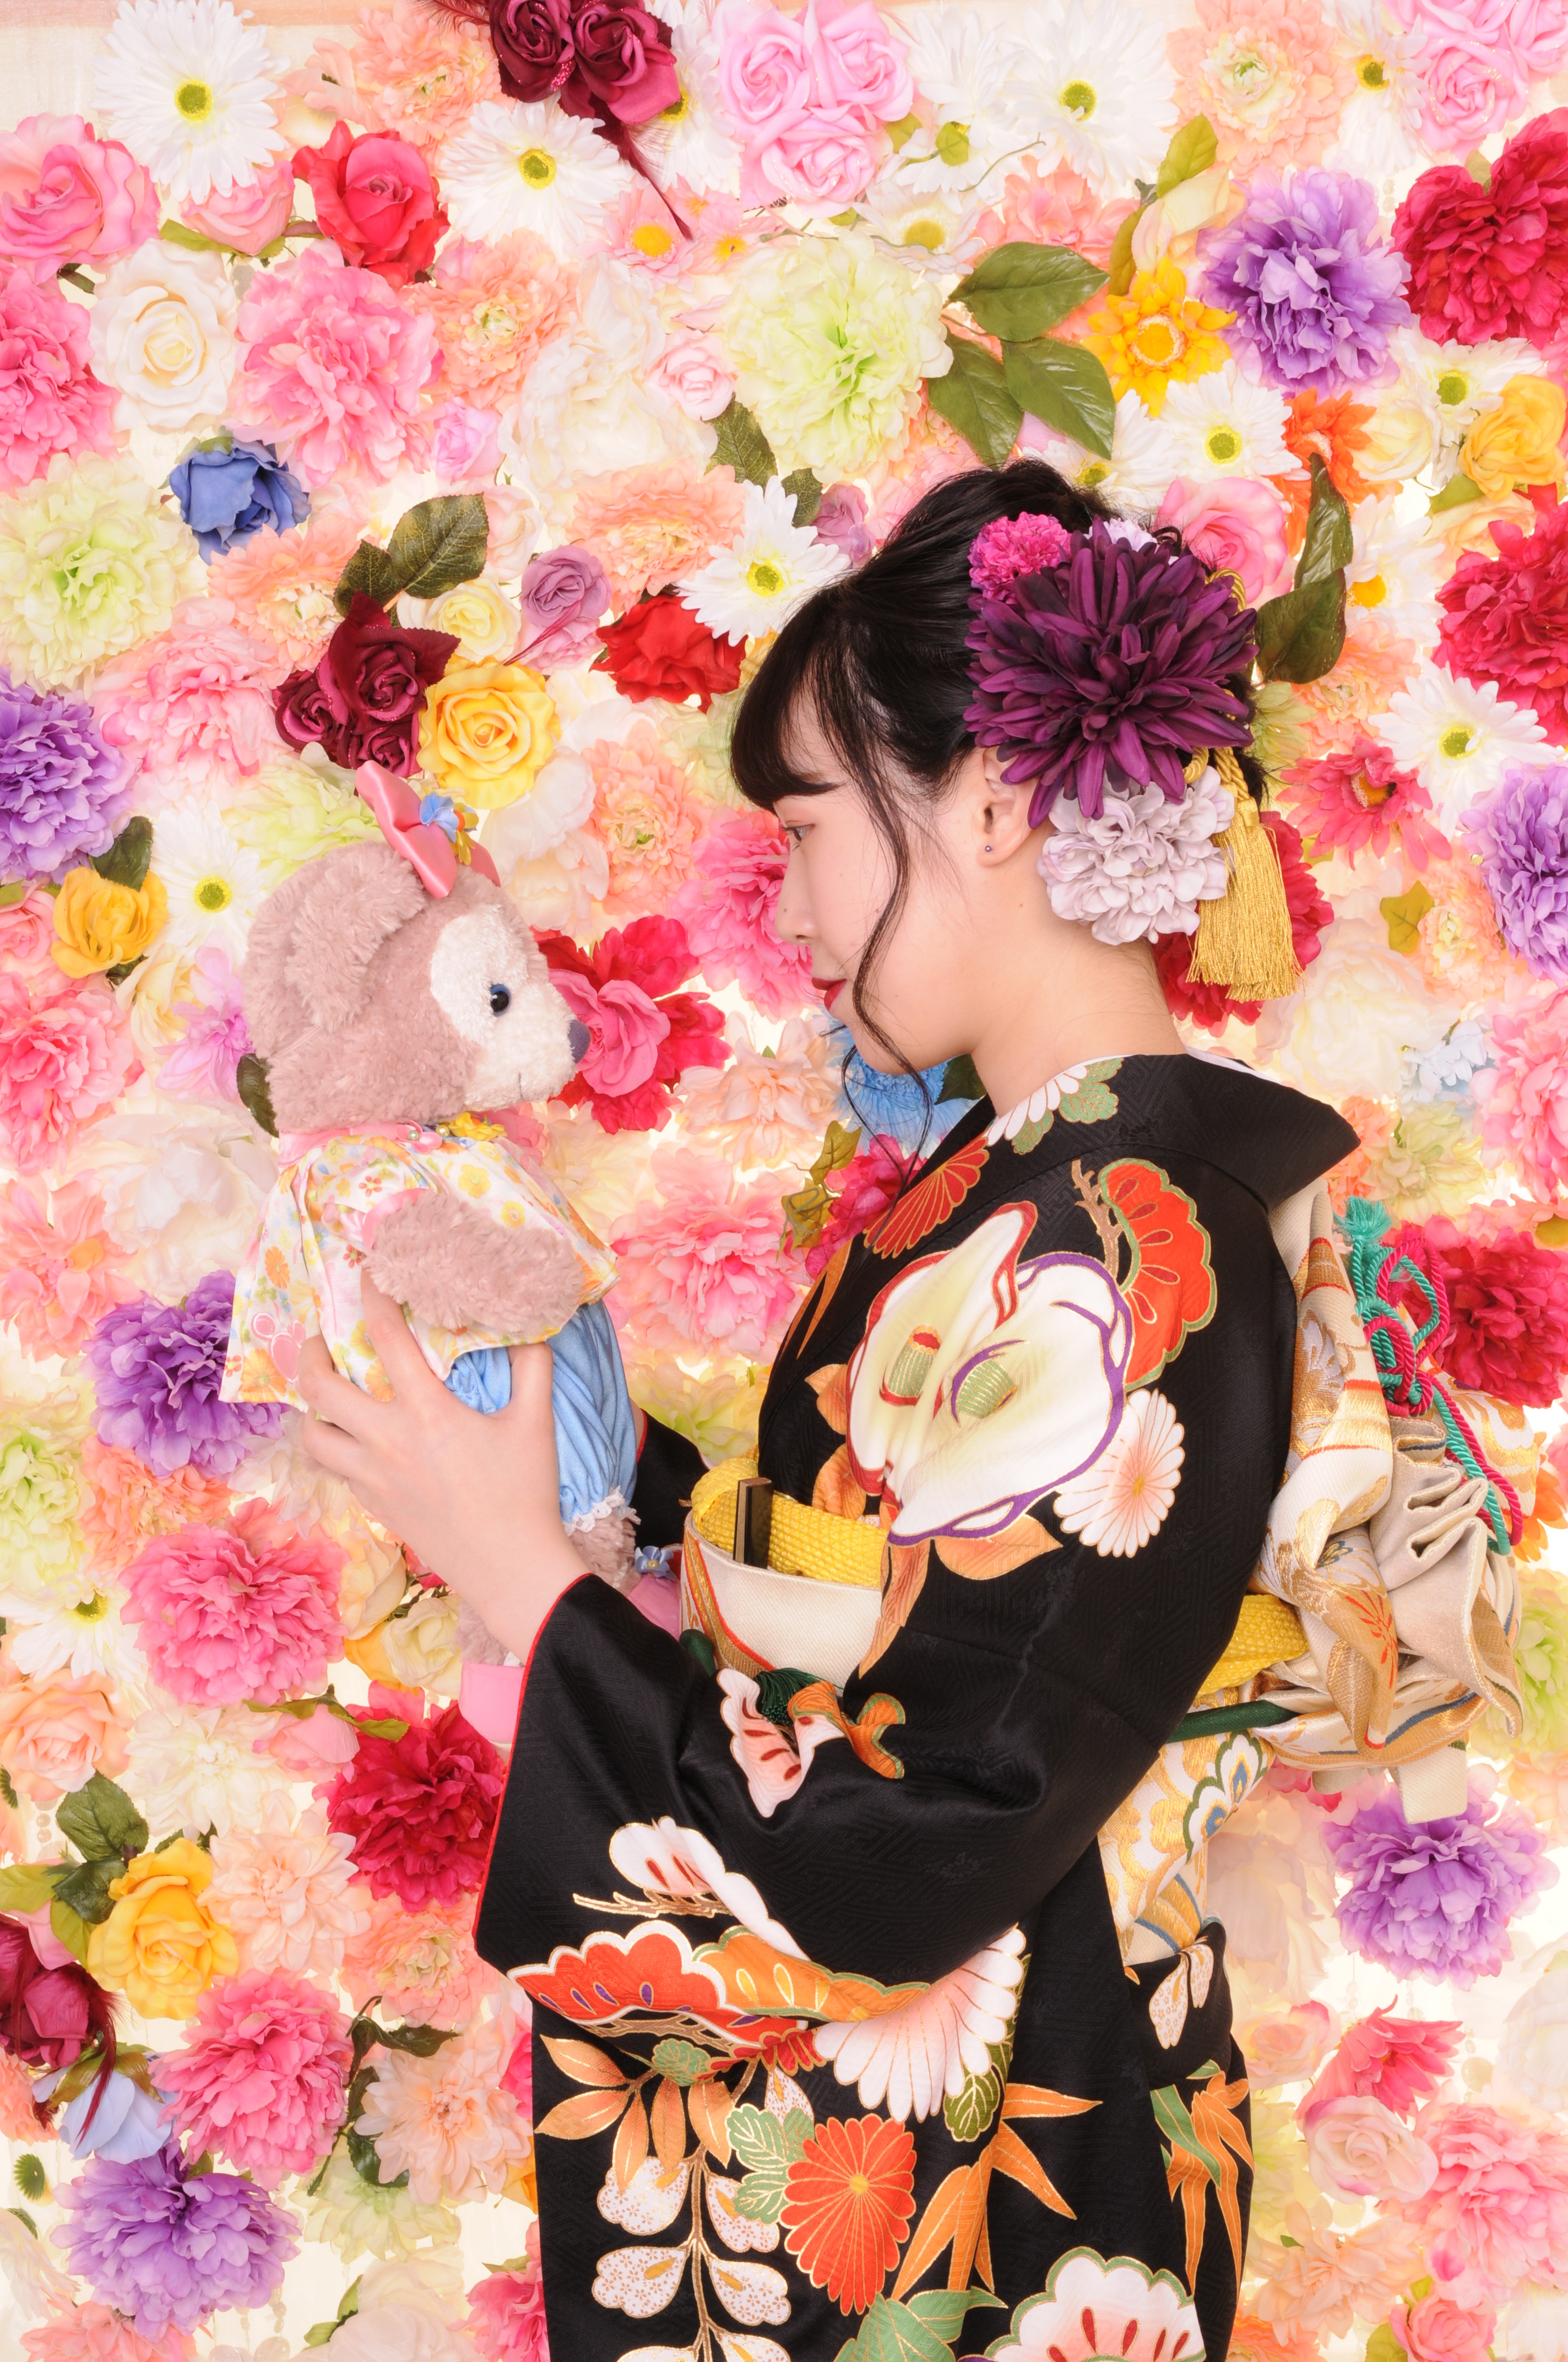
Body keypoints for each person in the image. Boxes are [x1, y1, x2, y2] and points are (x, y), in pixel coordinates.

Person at [297, 460, 1358, 2362]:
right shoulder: (1041, 1196)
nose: (784, 906)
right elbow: (895, 1614)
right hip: (974, 2121)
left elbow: (922, 1828)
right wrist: (578, 1477)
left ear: (999, 799)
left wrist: (536, 1588)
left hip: (994, 2160)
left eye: (805, 830)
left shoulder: (1127, 1236)